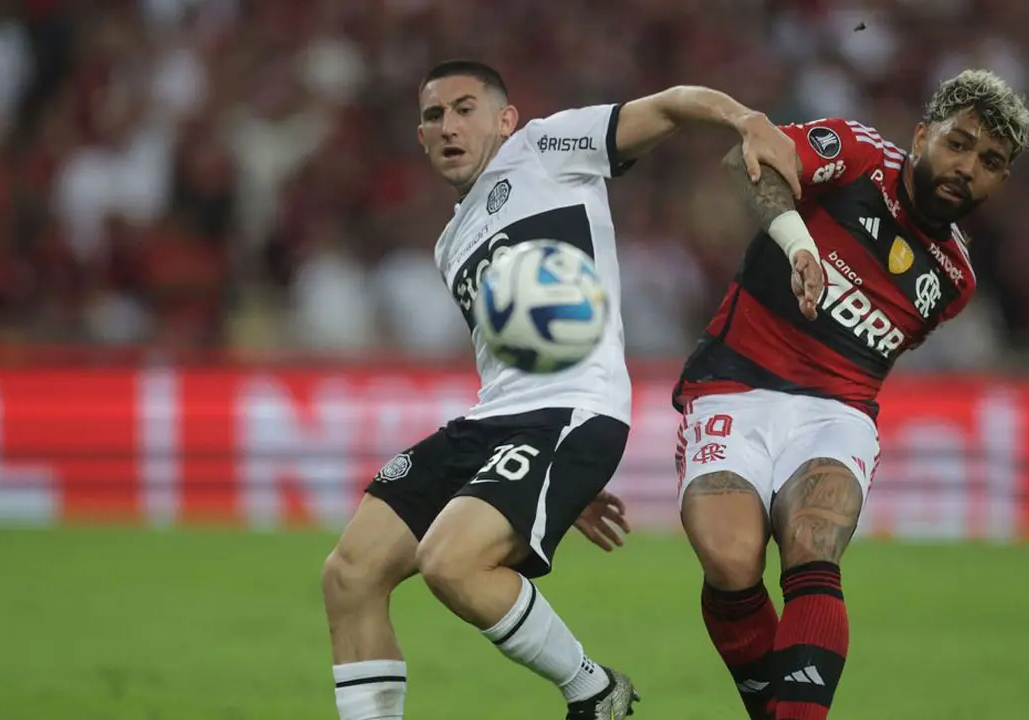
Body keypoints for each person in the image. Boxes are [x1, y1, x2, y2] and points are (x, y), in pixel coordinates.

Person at [320, 59, 802, 720]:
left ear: (505, 119)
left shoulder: (546, 148)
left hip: (573, 408)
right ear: (421, 137)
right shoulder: (448, 244)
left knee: (451, 564)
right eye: (433, 116)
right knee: (349, 573)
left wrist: (744, 119)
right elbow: (510, 355)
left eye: (465, 108)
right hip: (499, 421)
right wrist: (550, 489)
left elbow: (669, 103)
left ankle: (593, 691)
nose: (449, 126)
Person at [672, 69, 1029, 720]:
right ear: (923, 135)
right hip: (735, 380)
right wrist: (800, 244)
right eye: (958, 143)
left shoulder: (954, 281)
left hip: (836, 411)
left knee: (812, 545)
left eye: (989, 162)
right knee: (729, 560)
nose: (966, 167)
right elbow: (747, 160)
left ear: (1001, 181)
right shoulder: (856, 153)